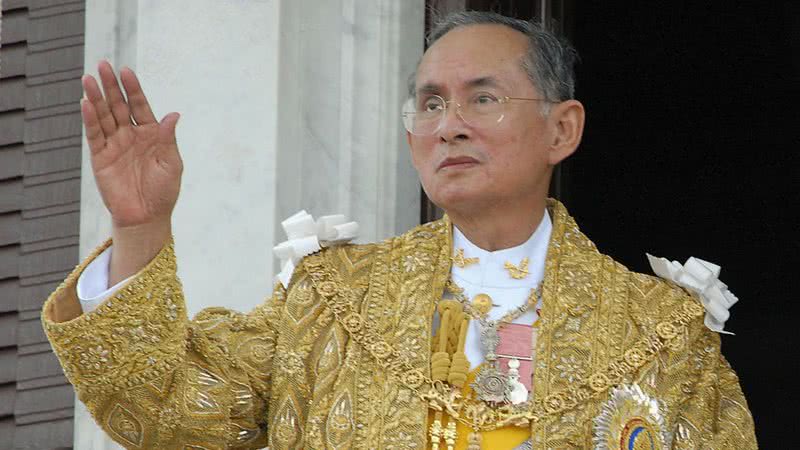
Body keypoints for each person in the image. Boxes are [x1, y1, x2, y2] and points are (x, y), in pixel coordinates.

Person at [42, 11, 756, 450]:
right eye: (431, 104)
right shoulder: (331, 299)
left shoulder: (660, 332)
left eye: (484, 98)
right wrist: (141, 228)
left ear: (561, 130)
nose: (450, 125)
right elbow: (171, 412)